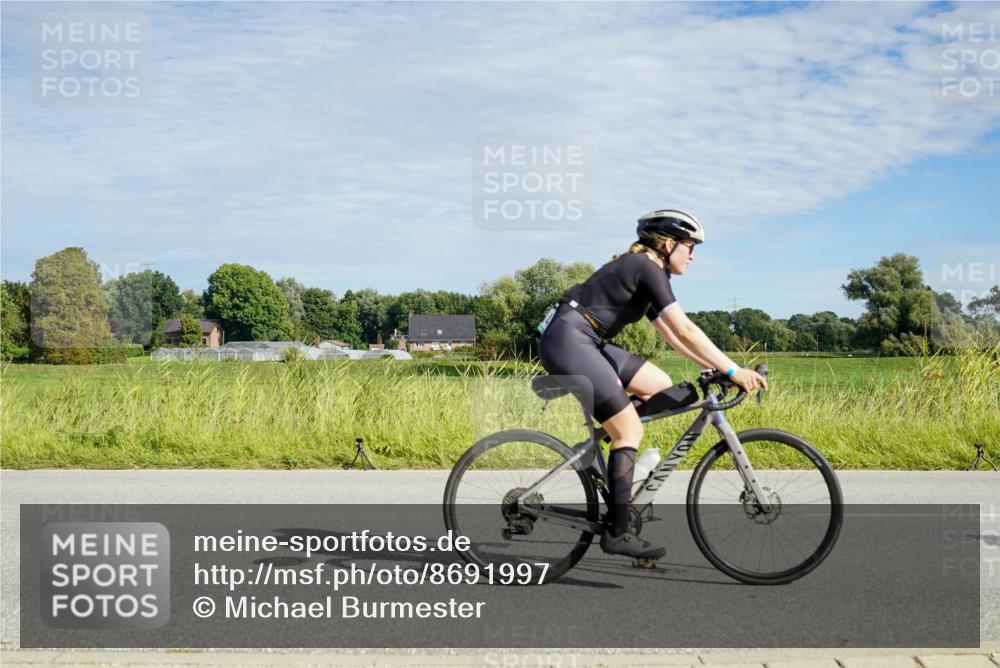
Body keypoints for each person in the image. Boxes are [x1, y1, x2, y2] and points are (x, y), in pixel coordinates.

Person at [537, 209, 768, 560]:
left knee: (660, 384)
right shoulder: (645, 268)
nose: (693, 255)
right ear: (668, 243)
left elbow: (676, 339)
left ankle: (596, 452)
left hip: (585, 339)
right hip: (569, 339)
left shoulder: (649, 272)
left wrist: (714, 369)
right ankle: (617, 532)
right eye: (690, 246)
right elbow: (687, 329)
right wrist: (735, 371)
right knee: (629, 431)